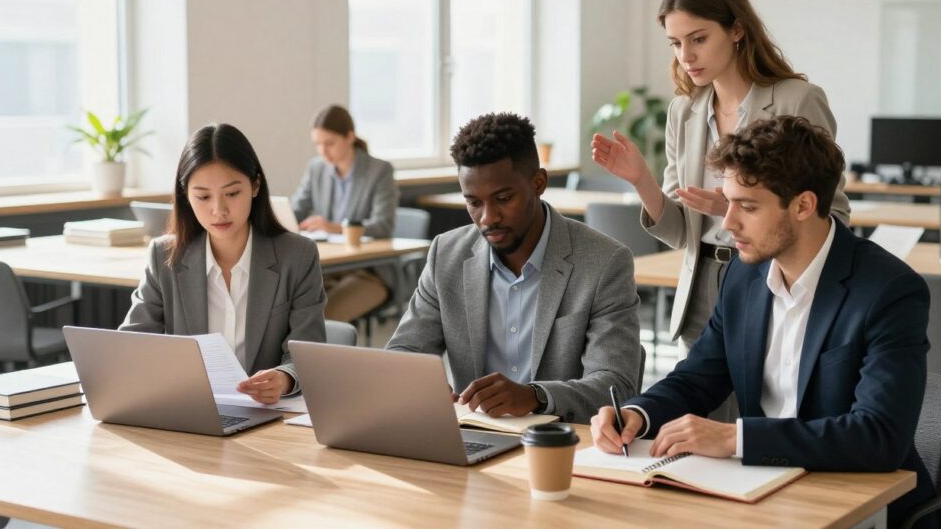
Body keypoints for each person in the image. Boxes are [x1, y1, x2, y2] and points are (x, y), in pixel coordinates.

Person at [590, 116, 936, 529]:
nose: (728, 222)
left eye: (748, 207)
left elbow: (879, 437)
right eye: (728, 201)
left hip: (858, 505)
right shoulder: (742, 276)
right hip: (760, 494)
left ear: (804, 205)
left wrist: (735, 438)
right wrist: (637, 414)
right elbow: (697, 379)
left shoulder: (888, 290)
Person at [591, 0, 851, 371]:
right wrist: (641, 179)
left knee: (758, 419)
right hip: (702, 285)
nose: (686, 56)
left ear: (737, 30)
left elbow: (831, 216)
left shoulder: (797, 99)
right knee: (696, 414)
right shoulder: (683, 111)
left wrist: (738, 207)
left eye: (698, 39)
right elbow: (681, 233)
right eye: (676, 43)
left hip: (772, 276)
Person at [386, 112, 642, 424]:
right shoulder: (446, 255)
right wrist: (422, 387)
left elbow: (615, 385)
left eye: (503, 198)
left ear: (538, 183)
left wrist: (536, 397)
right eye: (474, 203)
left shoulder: (604, 262)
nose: (487, 218)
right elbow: (402, 352)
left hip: (561, 444)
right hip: (473, 437)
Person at [121, 123, 326, 404]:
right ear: (186, 196)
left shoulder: (297, 255)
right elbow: (133, 344)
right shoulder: (163, 256)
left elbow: (308, 348)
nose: (219, 210)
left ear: (255, 186)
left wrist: (283, 377)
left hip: (270, 415)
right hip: (190, 409)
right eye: (203, 197)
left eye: (232, 193)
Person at [290, 105, 399, 322]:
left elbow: (383, 225)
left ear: (349, 137)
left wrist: (334, 227)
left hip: (369, 272)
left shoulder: (379, 171)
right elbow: (295, 210)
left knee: (320, 318)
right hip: (330, 270)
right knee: (290, 307)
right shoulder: (317, 169)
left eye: (329, 143)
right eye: (318, 144)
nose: (323, 151)